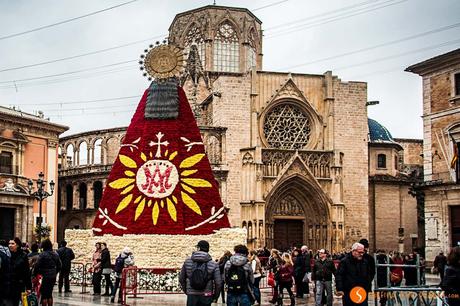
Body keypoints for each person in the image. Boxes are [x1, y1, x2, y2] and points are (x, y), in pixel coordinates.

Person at [179, 240, 221, 306]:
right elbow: (218, 283)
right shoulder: (213, 264)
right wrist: (215, 296)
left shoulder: (187, 262)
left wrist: (187, 291)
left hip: (192, 294)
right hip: (207, 294)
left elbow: (181, 279)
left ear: (198, 248)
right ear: (208, 249)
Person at [34, 239, 62, 306]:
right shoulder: (55, 254)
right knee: (49, 294)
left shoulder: (42, 254)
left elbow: (37, 265)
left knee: (44, 295)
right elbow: (60, 265)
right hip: (52, 276)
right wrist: (55, 272)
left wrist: (36, 273)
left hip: (44, 276)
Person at [8, 237, 32, 306]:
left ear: (17, 245)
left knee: (15, 302)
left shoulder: (23, 255)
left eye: (12, 243)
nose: (10, 245)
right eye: (9, 243)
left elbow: (26, 272)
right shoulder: (7, 254)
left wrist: (28, 287)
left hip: (18, 284)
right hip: (8, 284)